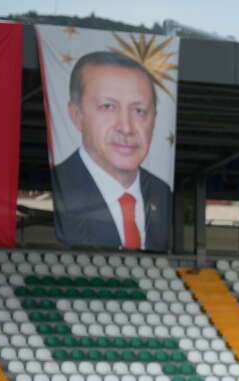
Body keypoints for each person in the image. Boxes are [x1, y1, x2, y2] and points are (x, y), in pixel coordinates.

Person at [52, 52, 172, 250]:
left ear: (154, 119)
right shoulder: (60, 181)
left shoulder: (162, 192)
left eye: (139, 111)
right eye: (108, 106)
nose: (126, 127)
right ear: (76, 115)